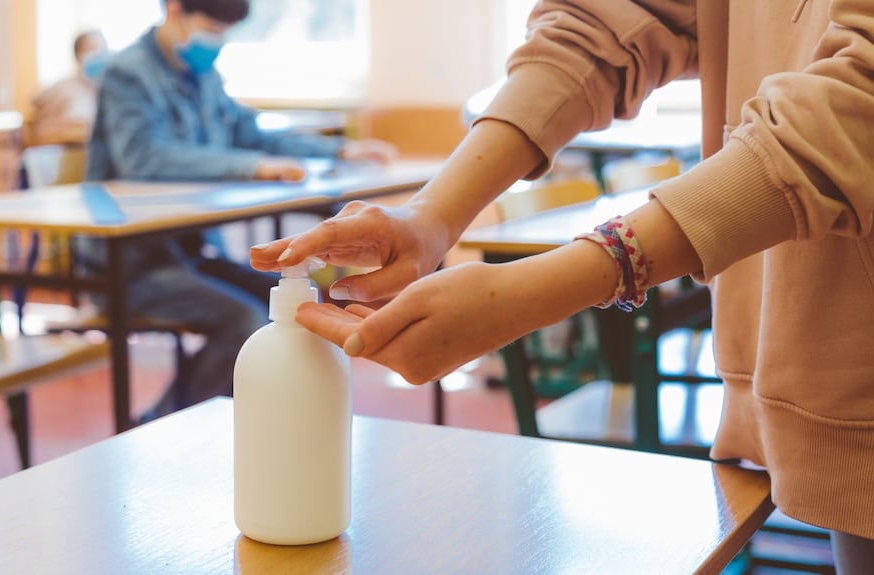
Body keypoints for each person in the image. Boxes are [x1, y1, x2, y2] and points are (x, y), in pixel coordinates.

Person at [251, 1, 874, 571]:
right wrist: (431, 216)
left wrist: (541, 290)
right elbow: (611, 20)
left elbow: (855, 102)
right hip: (811, 355)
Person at [81, 0, 396, 421]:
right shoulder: (128, 74)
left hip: (188, 253)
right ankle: (162, 428)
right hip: (129, 264)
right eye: (211, 29)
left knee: (296, 308)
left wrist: (337, 149)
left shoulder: (203, 76)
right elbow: (144, 158)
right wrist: (254, 167)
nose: (217, 41)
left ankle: (253, 423)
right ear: (174, 10)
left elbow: (251, 135)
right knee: (244, 321)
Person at [29, 29, 109, 146]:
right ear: (77, 55)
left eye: (102, 50)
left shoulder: (112, 90)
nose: (98, 54)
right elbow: (40, 128)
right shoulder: (62, 90)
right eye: (91, 48)